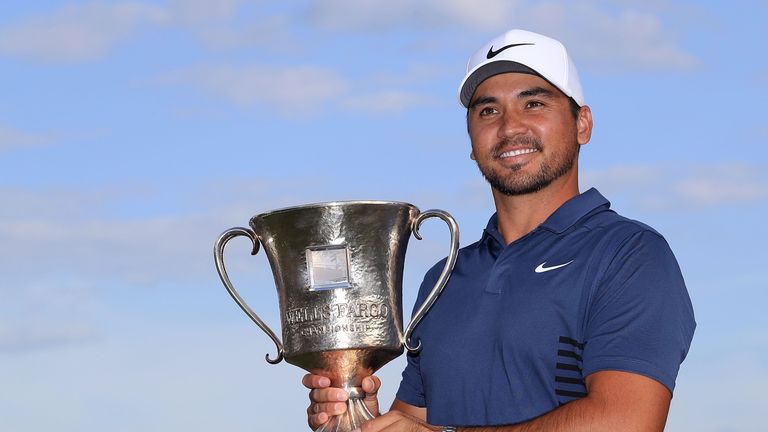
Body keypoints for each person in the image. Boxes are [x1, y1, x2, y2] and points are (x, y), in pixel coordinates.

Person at [304, 29, 696, 432]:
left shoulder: (631, 254)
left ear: (582, 124)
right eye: (488, 111)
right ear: (472, 141)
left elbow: (627, 422)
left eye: (534, 103)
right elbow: (416, 423)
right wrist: (360, 412)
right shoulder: (444, 278)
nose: (510, 127)